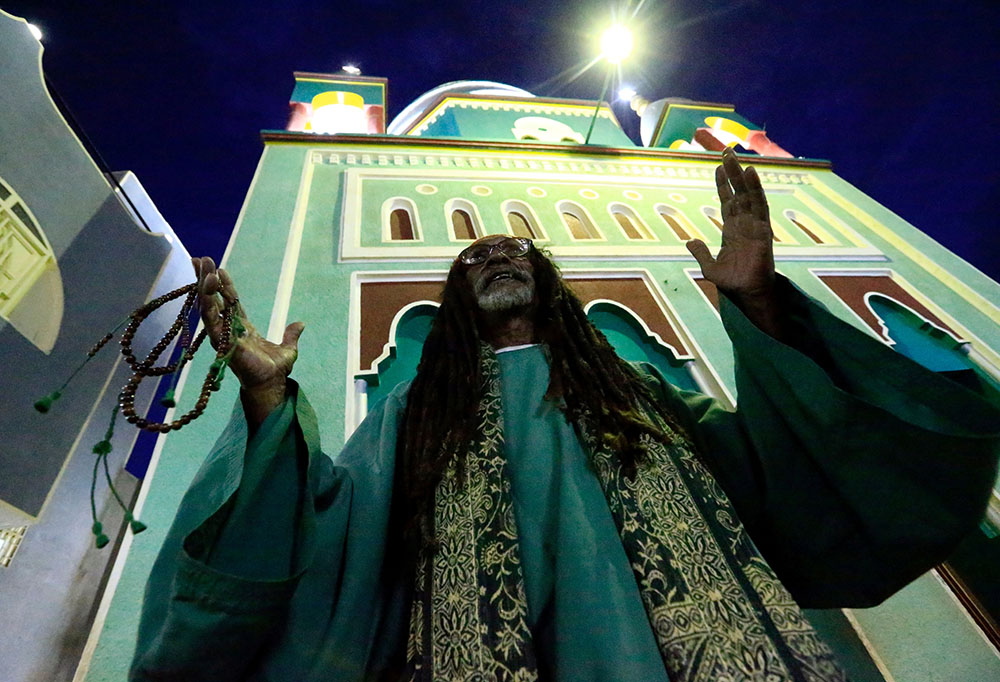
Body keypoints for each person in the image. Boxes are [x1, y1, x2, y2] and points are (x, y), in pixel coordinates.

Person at [131, 149, 1000, 682]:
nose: (500, 255)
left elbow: (780, 472)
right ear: (456, 297)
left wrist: (763, 309)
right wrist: (269, 399)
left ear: (550, 283)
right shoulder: (413, 415)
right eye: (477, 254)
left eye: (515, 249)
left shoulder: (636, 389)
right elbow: (332, 527)